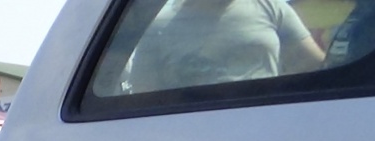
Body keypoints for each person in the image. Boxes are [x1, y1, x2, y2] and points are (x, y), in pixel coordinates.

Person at [128, 0, 325, 93]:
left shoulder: (270, 6)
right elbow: (143, 97)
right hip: (193, 138)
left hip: (268, 127)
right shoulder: (159, 26)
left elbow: (315, 65)